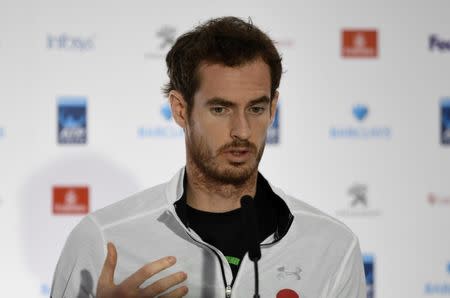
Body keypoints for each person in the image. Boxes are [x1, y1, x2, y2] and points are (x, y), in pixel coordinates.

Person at [51, 16, 367, 298]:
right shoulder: (105, 239)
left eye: (256, 108)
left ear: (273, 108)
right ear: (180, 109)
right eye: (220, 109)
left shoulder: (332, 246)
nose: (242, 130)